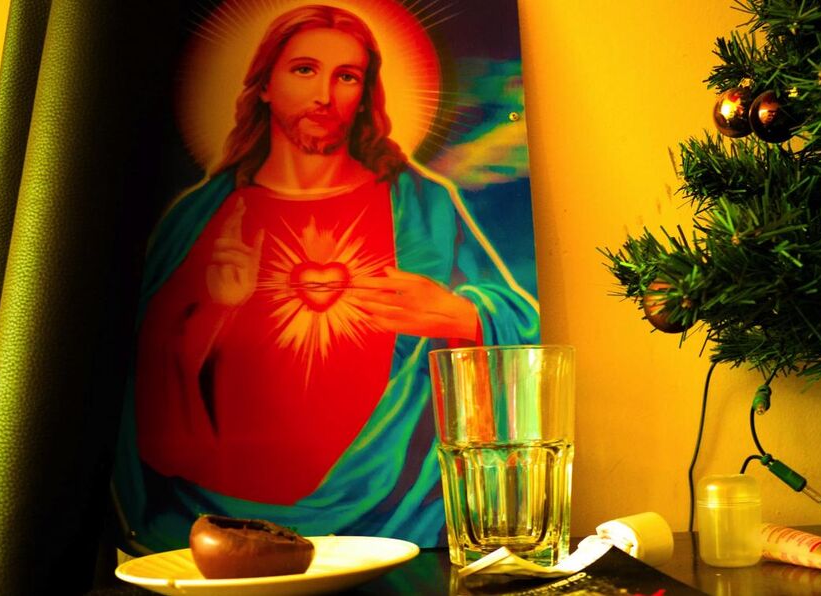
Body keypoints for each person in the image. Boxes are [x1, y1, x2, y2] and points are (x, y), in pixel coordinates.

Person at [112, 4, 539, 553]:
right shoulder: (203, 219)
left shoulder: (422, 206)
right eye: (304, 70)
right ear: (265, 85)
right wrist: (214, 312)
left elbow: (522, 331)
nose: (324, 95)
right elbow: (137, 389)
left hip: (401, 521)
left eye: (346, 76)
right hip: (220, 527)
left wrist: (464, 315)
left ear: (365, 92)